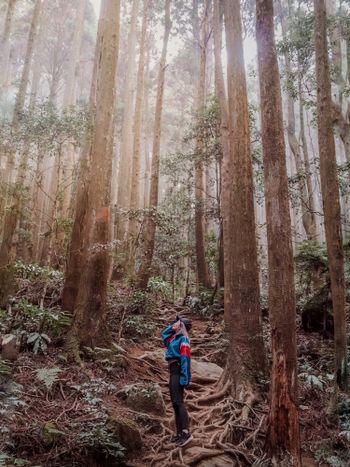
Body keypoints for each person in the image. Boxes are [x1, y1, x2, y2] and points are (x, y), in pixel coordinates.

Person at [161, 316, 193, 447]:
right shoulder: (174, 338)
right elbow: (164, 335)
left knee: (179, 402)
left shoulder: (184, 339)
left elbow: (186, 358)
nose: (174, 323)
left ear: (182, 326)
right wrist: (173, 327)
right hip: (172, 371)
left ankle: (186, 433)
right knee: (175, 403)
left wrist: (185, 377)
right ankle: (179, 433)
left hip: (179, 370)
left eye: (177, 322)